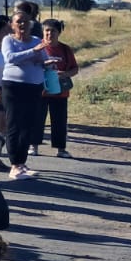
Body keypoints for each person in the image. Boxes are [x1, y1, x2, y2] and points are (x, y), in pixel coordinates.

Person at [0, 10, 53, 179]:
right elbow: (10, 58)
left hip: (34, 87)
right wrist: (32, 52)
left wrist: (47, 63)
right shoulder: (8, 40)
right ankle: (14, 165)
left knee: (28, 125)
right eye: (19, 21)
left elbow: (42, 59)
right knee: (14, 124)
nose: (23, 24)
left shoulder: (37, 40)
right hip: (13, 87)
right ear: (12, 25)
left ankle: (22, 163)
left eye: (26, 21)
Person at [39, 18, 80, 158]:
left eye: (53, 31)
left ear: (59, 32)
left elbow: (75, 69)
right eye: (46, 31)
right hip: (40, 91)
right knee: (37, 120)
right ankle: (34, 146)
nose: (49, 34)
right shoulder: (37, 47)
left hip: (60, 91)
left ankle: (60, 149)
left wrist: (65, 74)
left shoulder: (65, 49)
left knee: (60, 121)